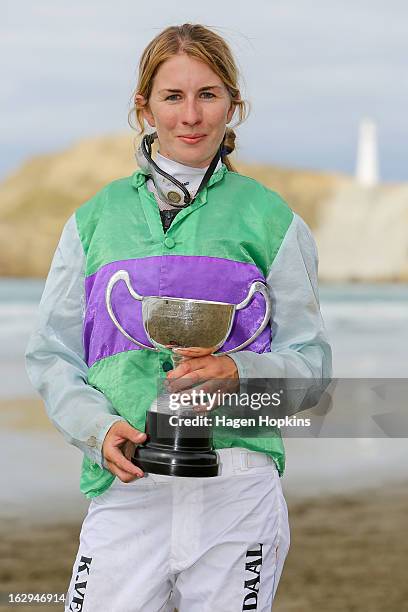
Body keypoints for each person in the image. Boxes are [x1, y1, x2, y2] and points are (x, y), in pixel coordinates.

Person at [26, 23, 331, 612]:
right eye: (172, 97)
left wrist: (240, 370)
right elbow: (52, 355)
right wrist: (96, 430)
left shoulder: (272, 219)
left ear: (233, 107)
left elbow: (312, 370)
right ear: (145, 108)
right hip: (127, 482)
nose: (191, 116)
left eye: (208, 95)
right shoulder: (93, 220)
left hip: (237, 489)